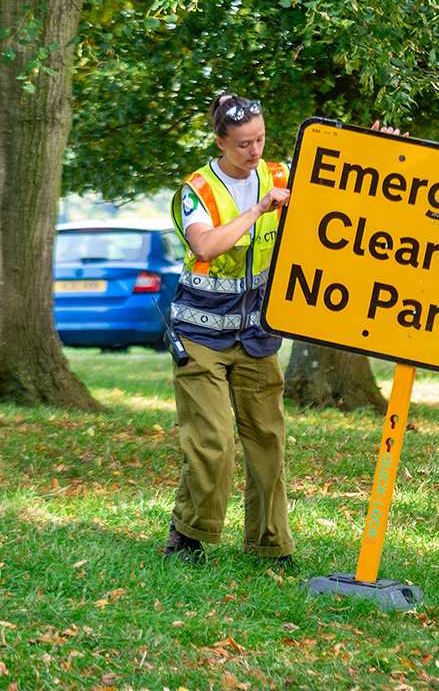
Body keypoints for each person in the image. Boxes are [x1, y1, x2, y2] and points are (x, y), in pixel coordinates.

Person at [161, 93, 295, 564]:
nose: (255, 150)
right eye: (243, 143)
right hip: (200, 335)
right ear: (220, 142)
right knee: (213, 440)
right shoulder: (195, 191)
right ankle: (188, 535)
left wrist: (379, 149)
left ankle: (270, 546)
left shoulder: (279, 175)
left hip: (256, 333)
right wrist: (258, 210)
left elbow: (343, 187)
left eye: (259, 139)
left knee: (268, 442)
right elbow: (209, 245)